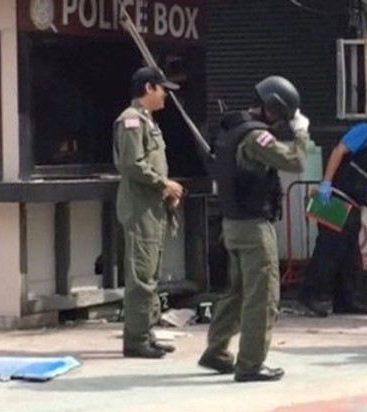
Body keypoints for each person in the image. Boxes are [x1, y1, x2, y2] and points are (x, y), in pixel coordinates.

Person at [197, 76, 310, 382]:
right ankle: (250, 364)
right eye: (282, 117)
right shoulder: (255, 137)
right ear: (272, 109)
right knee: (263, 296)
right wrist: (301, 134)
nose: (283, 123)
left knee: (236, 292)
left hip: (232, 224)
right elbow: (296, 161)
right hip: (253, 228)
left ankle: (217, 351)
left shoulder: (233, 129)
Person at [298, 105, 367, 317]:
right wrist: (326, 183)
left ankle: (345, 299)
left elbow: (363, 166)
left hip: (354, 202)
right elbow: (340, 150)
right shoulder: (366, 130)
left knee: (350, 253)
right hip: (336, 198)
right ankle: (311, 295)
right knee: (329, 250)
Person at [114, 67, 184, 359]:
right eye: (162, 88)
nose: (165, 94)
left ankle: (146, 331)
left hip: (153, 207)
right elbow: (133, 164)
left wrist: (165, 194)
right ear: (148, 88)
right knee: (141, 275)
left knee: (151, 274)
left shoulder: (148, 122)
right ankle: (136, 340)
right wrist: (163, 183)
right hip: (140, 209)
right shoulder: (130, 120)